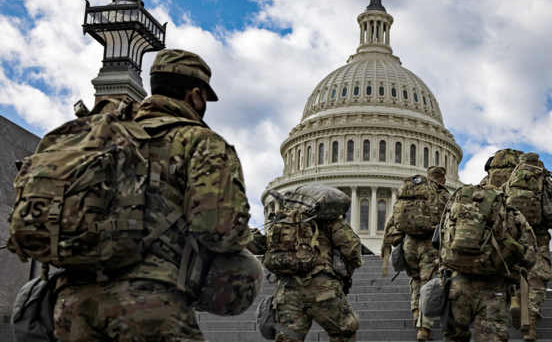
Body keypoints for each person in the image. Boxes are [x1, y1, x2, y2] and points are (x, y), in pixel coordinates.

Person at [52, 49, 256, 341]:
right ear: (195, 95)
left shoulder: (103, 136)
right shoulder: (200, 142)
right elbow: (219, 230)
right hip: (147, 302)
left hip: (70, 303)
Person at [440, 183, 536, 342]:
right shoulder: (512, 215)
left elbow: (442, 245)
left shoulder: (455, 212)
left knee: (454, 338)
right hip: (493, 289)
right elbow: (530, 258)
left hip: (456, 288)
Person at [502, 153, 552, 340]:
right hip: (538, 235)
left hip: (513, 234)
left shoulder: (508, 183)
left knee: (514, 270)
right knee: (538, 277)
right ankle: (531, 323)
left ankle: (515, 296)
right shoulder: (547, 184)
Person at [380, 166, 450, 341]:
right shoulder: (443, 194)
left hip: (408, 243)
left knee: (416, 279)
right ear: (443, 179)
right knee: (430, 283)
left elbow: (392, 219)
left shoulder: (411, 190)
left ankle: (416, 310)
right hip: (430, 244)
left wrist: (386, 245)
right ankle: (424, 328)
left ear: (429, 176)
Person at [272, 207, 362, 342]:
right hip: (322, 289)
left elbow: (263, 245)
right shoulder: (332, 220)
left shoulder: (285, 220)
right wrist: (347, 273)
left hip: (286, 292)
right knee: (344, 333)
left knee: (288, 339)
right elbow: (352, 250)